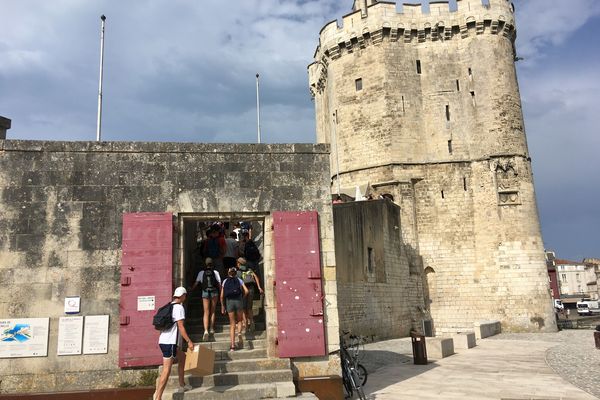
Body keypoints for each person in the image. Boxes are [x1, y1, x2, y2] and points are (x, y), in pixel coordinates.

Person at [154, 287, 194, 400]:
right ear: (182, 296)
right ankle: (158, 397)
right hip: (170, 343)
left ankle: (182, 384)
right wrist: (189, 341)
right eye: (185, 296)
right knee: (166, 370)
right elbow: (181, 327)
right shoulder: (179, 308)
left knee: (183, 357)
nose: (185, 298)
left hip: (163, 341)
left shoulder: (168, 306)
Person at [190, 257, 221, 342]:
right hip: (214, 292)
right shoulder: (215, 272)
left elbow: (196, 283)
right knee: (213, 311)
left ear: (205, 264)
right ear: (212, 264)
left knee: (206, 312)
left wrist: (191, 289)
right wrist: (222, 294)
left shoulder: (201, 272)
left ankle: (205, 330)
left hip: (205, 292)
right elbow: (219, 284)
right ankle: (211, 328)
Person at [220, 267, 249, 351]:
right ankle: (239, 333)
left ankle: (232, 345)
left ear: (228, 273)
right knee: (240, 320)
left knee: (232, 324)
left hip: (229, 302)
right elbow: (246, 291)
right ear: (236, 273)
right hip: (238, 300)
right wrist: (242, 298)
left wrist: (222, 306)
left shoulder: (225, 281)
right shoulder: (239, 280)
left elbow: (221, 296)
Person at [238, 257, 263, 334]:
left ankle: (246, 326)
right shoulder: (249, 270)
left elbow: (239, 283)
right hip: (251, 289)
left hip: (243, 290)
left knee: (243, 309)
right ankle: (252, 322)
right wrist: (259, 287)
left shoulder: (238, 272)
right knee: (249, 308)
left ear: (239, 263)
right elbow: (256, 277)